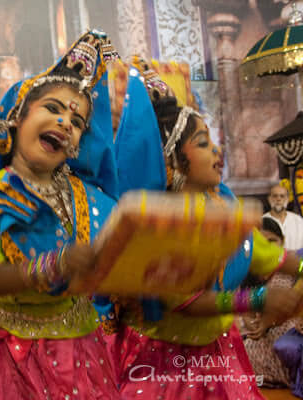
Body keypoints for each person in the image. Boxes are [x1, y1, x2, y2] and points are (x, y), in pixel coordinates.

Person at [111, 93, 303, 399]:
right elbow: (185, 302)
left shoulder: (221, 209)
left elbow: (271, 255)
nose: (217, 149)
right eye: (203, 142)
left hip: (218, 353)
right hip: (162, 367)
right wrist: (257, 298)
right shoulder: (156, 224)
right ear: (172, 158)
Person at [0, 30, 122, 399]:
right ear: (17, 117)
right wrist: (55, 265)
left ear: (79, 144)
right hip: (14, 352)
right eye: (52, 108)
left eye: (78, 121)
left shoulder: (92, 200)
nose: (66, 123)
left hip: (84, 347)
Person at [239, 217, 303, 389]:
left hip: (286, 321)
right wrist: (252, 321)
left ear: (282, 241)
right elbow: (240, 300)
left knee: (279, 345)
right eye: (262, 243)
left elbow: (292, 298)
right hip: (257, 324)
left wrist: (268, 322)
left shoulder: (292, 261)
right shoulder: (245, 264)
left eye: (272, 241)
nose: (268, 247)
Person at [264, 184, 303, 250]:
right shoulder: (261, 222)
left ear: (287, 199)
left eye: (282, 196)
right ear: (269, 199)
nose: (278, 199)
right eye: (275, 196)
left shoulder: (299, 221)